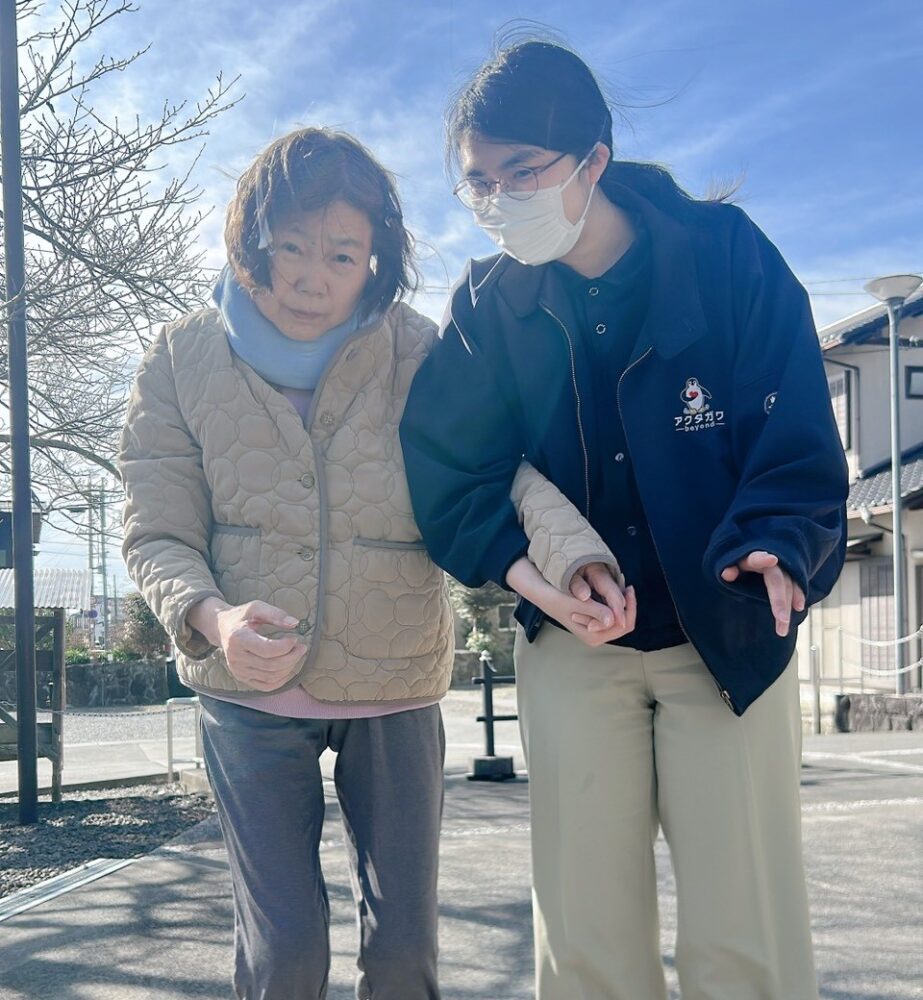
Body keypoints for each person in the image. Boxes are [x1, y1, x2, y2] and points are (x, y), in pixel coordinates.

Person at [400, 40, 848, 1000]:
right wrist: (534, 579)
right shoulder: (486, 304)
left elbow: (798, 438)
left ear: (593, 159)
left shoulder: (727, 258)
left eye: (522, 173)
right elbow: (450, 466)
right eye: (478, 182)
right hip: (571, 649)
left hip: (728, 627)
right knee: (584, 935)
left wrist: (777, 545)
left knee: (746, 931)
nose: (498, 199)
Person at [120, 126, 609, 1000]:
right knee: (283, 953)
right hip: (244, 690)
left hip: (396, 680)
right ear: (250, 241)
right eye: (291, 248)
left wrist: (571, 556)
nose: (312, 276)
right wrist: (213, 618)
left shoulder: (419, 349)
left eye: (343, 254)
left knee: (402, 952)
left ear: (376, 257)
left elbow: (499, 466)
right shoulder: (179, 356)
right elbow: (156, 532)